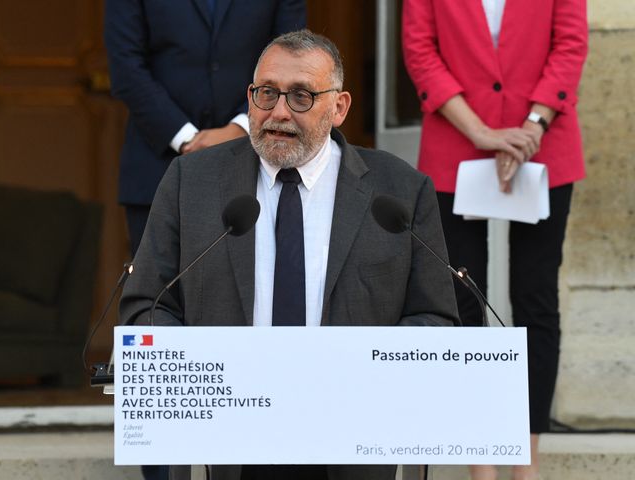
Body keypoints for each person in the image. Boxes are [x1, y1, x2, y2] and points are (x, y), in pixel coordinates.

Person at [120, 29, 459, 480]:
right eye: (266, 94)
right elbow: (146, 306)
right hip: (235, 442)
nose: (278, 112)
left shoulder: (399, 190)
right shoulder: (191, 182)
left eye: (301, 96)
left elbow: (435, 319)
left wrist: (359, 369)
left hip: (352, 444)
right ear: (250, 97)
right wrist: (213, 371)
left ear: (339, 108)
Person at [402, 1, 588, 479]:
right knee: (462, 303)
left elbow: (570, 45)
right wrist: (483, 133)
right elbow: (421, 52)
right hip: (455, 145)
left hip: (543, 146)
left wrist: (530, 129)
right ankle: (480, 462)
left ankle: (525, 464)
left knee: (536, 301)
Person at [104, 0, 306, 257]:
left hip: (256, 163)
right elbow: (125, 66)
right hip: (157, 167)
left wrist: (241, 126)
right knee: (157, 291)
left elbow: (293, 57)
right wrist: (188, 140)